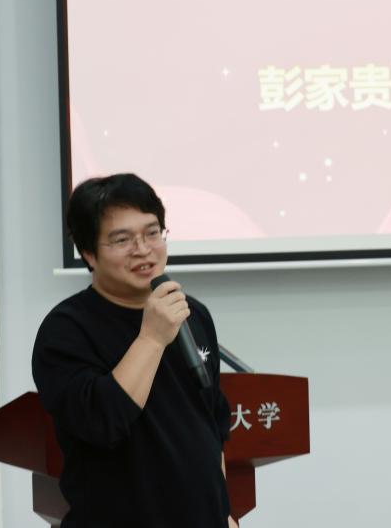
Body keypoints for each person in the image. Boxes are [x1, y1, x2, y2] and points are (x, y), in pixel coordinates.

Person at [32, 173, 237, 528]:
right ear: (88, 252)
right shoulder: (66, 330)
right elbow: (102, 422)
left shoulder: (191, 313)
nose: (143, 249)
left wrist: (224, 513)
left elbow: (211, 424)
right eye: (122, 239)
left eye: (152, 233)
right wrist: (152, 338)